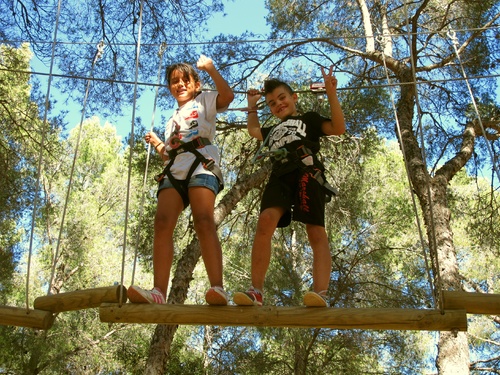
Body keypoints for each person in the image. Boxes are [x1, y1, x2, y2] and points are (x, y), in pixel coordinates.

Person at [233, 66, 345, 307]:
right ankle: (257, 291)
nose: (278, 104)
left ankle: (320, 293)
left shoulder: (309, 119)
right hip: (280, 175)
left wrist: (331, 93)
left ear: (294, 98)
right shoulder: (272, 129)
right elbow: (253, 130)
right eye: (272, 103)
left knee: (315, 230)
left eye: (282, 98)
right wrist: (252, 105)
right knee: (265, 221)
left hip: (306, 171)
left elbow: (338, 128)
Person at [128, 55, 234, 305]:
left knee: (203, 219)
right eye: (174, 81)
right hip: (176, 168)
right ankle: (158, 292)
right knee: (162, 222)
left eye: (185, 80)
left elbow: (227, 97)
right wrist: (157, 144)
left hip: (201, 162)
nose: (180, 84)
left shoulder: (204, 100)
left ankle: (217, 287)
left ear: (196, 84)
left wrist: (210, 67)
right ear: (169, 88)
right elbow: (169, 152)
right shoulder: (171, 120)